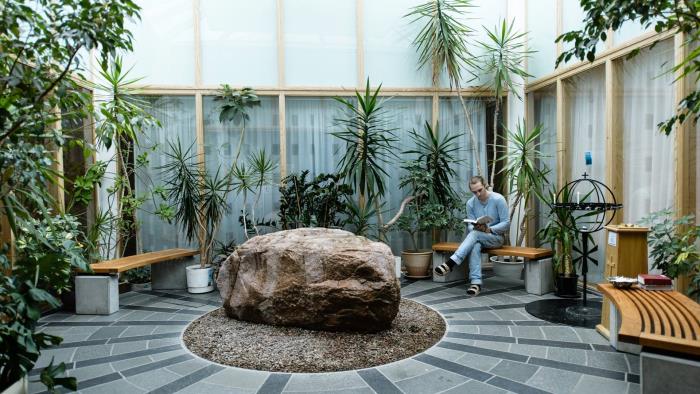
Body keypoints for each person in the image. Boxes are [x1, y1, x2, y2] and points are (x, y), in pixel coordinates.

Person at [434, 175, 510, 296]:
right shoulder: (470, 203)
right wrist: (475, 227)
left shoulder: (498, 199)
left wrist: (489, 230)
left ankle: (450, 263)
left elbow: (506, 224)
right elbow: (470, 225)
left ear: (485, 186)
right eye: (474, 192)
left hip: (496, 238)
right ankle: (476, 284)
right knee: (475, 244)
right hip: (478, 237)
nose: (478, 194)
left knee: (475, 236)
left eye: (480, 190)